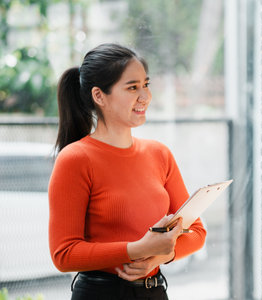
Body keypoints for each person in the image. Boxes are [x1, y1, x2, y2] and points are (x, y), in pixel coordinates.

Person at [48, 43, 206, 300]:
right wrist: (137, 249)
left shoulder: (160, 154)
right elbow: (64, 254)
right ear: (99, 96)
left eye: (146, 84)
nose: (145, 96)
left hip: (154, 292)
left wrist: (163, 254)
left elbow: (197, 233)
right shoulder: (75, 159)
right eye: (133, 87)